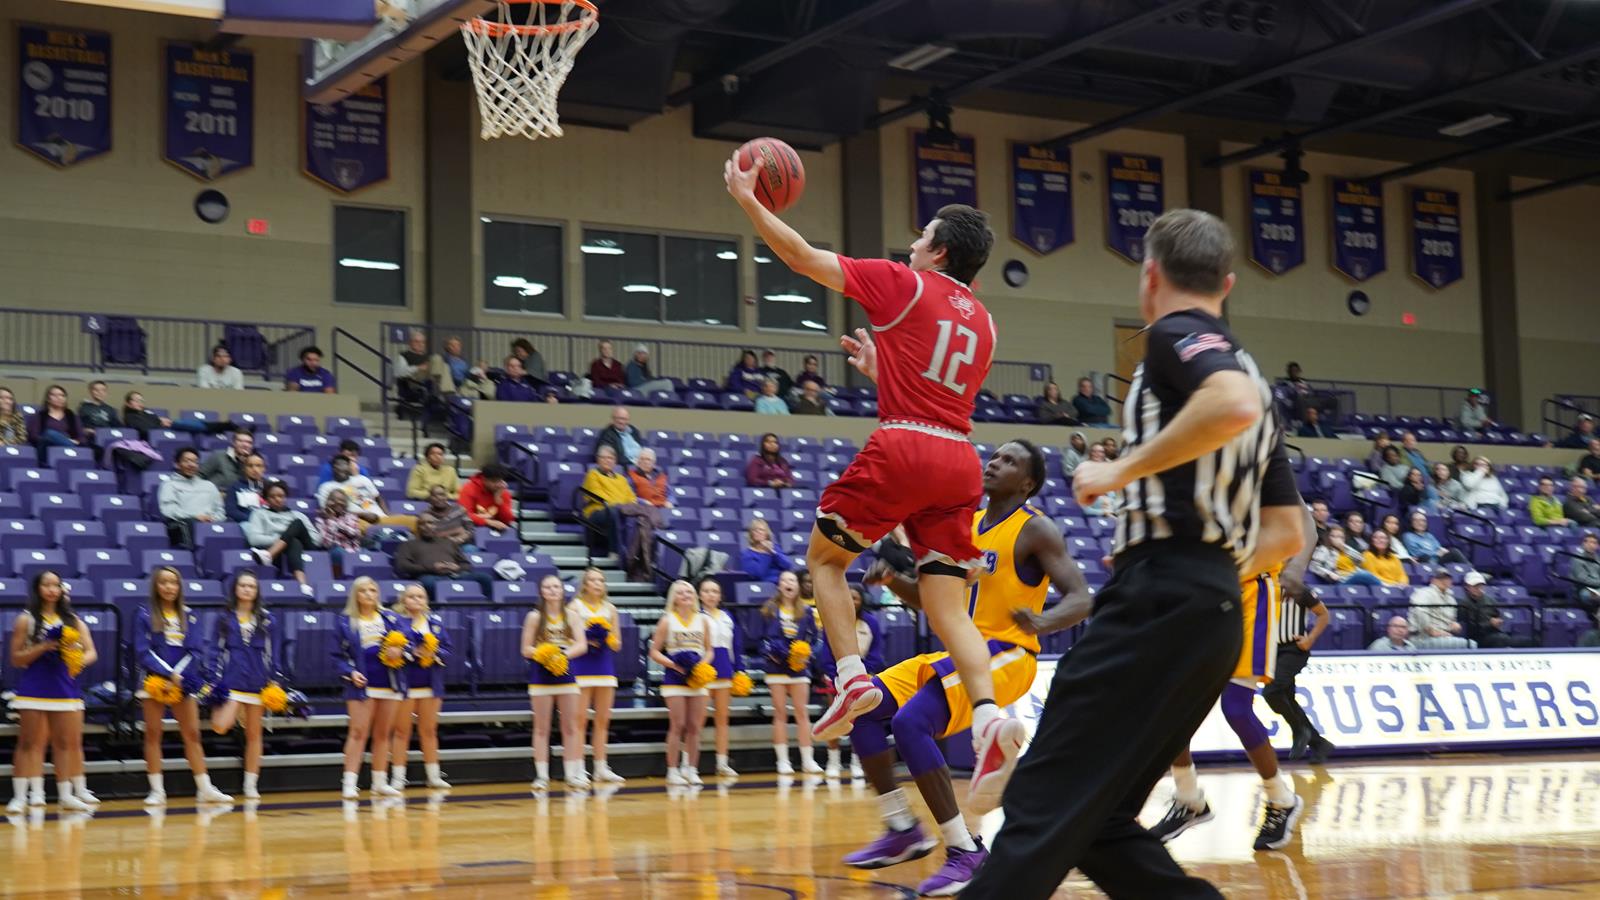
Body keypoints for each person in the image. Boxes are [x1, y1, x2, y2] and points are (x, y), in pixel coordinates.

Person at [960, 209, 1281, 899]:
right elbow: (1287, 532)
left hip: (1162, 595)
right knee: (1098, 816)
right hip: (1214, 605)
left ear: (1150, 275)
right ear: (1227, 282)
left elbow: (1230, 402)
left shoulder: (1175, 335)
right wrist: (1205, 573)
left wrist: (1120, 471)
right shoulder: (1256, 370)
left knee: (1045, 788)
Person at [728, 152, 1017, 795]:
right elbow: (938, 387)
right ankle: (993, 718)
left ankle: (853, 677)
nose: (912, 244)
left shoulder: (904, 281)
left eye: (922, 237)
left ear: (938, 251)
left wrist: (751, 201)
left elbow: (804, 258)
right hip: (958, 457)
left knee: (825, 562)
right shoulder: (986, 323)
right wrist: (880, 372)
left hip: (907, 446)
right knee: (949, 611)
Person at [846, 440, 1093, 893]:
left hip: (1008, 655)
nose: (995, 463)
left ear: (1029, 482)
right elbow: (937, 602)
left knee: (909, 723)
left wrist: (1043, 620)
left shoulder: (1036, 530)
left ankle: (965, 848)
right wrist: (893, 580)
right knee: (862, 705)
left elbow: (1081, 598)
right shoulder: (967, 526)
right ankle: (901, 827)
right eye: (994, 456)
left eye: (1010, 461)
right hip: (959, 652)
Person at [1146, 497, 1321, 851]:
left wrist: (1297, 566)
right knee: (1170, 703)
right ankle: (1189, 797)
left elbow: (1307, 522)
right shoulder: (1194, 459)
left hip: (1253, 590)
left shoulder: (1260, 454)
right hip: (1203, 590)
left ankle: (1281, 799)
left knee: (1237, 708)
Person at [136, 567, 232, 805]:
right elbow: (142, 652)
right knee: (153, 734)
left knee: (192, 734)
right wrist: (168, 674)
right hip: (154, 681)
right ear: (156, 587)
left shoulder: (189, 616)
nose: (169, 587)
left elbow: (195, 651)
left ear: (179, 587)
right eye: (164, 582)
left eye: (173, 583)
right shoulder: (144, 615)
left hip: (183, 682)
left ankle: (205, 787)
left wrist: (178, 675)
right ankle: (157, 790)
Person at [7, 571, 99, 812]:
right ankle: (19, 796)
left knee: (65, 744)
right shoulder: (25, 620)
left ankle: (65, 794)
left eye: (55, 585)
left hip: (64, 688)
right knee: (27, 743)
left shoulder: (73, 621)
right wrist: (44, 646)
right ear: (38, 589)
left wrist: (77, 661)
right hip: (33, 688)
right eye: (46, 585)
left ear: (61, 590)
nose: (51, 589)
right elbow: (16, 659)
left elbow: (91, 652)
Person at [334, 577, 406, 799]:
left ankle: (379, 781)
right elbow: (336, 656)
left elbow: (409, 642)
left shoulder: (391, 618)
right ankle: (349, 782)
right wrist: (349, 672)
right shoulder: (345, 621)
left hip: (389, 682)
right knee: (358, 732)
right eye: (363, 591)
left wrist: (401, 651)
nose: (368, 594)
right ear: (355, 595)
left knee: (383, 733)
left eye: (373, 590)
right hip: (361, 684)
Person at [207, 571, 275, 800]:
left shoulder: (266, 619)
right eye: (243, 585)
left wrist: (275, 679)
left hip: (257, 683)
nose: (247, 589)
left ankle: (251, 784)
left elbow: (272, 652)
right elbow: (215, 649)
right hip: (232, 681)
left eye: (252, 587)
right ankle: (237, 713)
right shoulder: (224, 618)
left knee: (255, 735)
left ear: (257, 592)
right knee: (220, 725)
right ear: (236, 589)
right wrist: (215, 679)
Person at [522, 574, 589, 790]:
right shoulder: (534, 617)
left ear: (562, 591)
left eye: (556, 587)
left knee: (570, 726)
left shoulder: (572, 616)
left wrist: (563, 655)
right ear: (542, 592)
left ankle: (571, 775)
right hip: (541, 675)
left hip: (565, 673)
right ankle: (542, 776)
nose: (552, 590)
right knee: (541, 728)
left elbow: (582, 645)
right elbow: (525, 649)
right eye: (548, 587)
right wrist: (545, 654)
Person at [387, 583, 452, 791]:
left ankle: (433, 776)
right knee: (401, 731)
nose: (417, 600)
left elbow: (448, 650)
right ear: (403, 600)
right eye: (412, 596)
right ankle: (398, 777)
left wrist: (435, 654)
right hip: (405, 685)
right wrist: (410, 651)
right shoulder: (396, 622)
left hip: (431, 685)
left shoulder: (436, 623)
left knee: (429, 730)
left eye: (421, 597)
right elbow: (389, 647)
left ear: (426, 601)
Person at [758, 571, 823, 775]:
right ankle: (783, 761)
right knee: (780, 713)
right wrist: (771, 653)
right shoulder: (769, 609)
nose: (789, 583)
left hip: (798, 666)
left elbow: (816, 640)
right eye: (785, 580)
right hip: (775, 667)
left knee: (801, 712)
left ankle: (807, 760)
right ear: (779, 585)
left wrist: (808, 655)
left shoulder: (806, 611)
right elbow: (760, 640)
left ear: (798, 586)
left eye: (792, 580)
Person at [651, 580, 712, 786]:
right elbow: (654, 651)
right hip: (674, 678)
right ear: (674, 597)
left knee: (695, 727)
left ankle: (691, 769)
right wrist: (674, 665)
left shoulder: (703, 620)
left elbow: (709, 650)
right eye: (681, 592)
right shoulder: (667, 620)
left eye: (689, 591)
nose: (686, 595)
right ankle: (672, 770)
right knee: (678, 725)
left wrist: (700, 666)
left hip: (697, 678)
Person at [815, 585, 881, 779]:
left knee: (858, 722)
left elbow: (877, 653)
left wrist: (862, 672)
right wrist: (836, 674)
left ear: (862, 601)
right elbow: (826, 653)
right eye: (848, 598)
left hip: (863, 678)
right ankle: (833, 762)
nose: (852, 602)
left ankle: (856, 762)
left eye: (855, 598)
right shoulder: (832, 622)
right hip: (835, 677)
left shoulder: (871, 623)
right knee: (834, 720)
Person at [570, 568, 625, 784]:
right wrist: (586, 638)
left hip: (604, 665)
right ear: (584, 584)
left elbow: (618, 643)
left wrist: (606, 638)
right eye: (592, 580)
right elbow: (568, 638)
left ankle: (601, 767)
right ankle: (578, 768)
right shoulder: (574, 606)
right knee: (580, 720)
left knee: (603, 720)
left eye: (601, 580)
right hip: (582, 665)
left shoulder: (610, 609)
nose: (597, 583)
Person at [697, 577, 742, 778]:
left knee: (722, 720)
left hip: (724, 671)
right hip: (702, 673)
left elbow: (736, 647)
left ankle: (722, 763)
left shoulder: (728, 616)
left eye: (714, 591)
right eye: (706, 591)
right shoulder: (695, 616)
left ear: (720, 595)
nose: (710, 595)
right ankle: (688, 764)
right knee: (696, 721)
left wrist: (739, 670)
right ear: (699, 594)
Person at [393, 516, 494, 600]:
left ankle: (487, 609)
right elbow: (403, 566)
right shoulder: (408, 545)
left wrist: (457, 567)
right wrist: (432, 568)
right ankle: (436, 611)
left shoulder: (448, 542)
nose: (427, 526)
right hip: (430, 576)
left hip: (455, 575)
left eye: (430, 523)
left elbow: (466, 565)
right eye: (422, 524)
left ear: (436, 526)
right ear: (418, 527)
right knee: (428, 583)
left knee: (484, 578)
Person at [244, 481, 320, 584]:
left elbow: (316, 539)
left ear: (286, 497)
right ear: (266, 499)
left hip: (306, 546)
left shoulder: (298, 515)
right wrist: (285, 539)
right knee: (293, 541)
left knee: (297, 524)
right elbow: (254, 539)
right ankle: (303, 584)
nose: (277, 499)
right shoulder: (259, 514)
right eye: (272, 496)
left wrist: (285, 537)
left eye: (281, 496)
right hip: (290, 548)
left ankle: (268, 555)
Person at [160, 448, 224, 550]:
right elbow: (169, 511)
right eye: (186, 461)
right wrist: (195, 516)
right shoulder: (169, 485)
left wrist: (213, 519)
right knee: (189, 524)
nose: (191, 465)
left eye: (195, 461)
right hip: (187, 525)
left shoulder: (209, 485)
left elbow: (220, 510)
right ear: (177, 464)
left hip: (210, 523)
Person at [1459, 572, 1530, 648]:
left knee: (1529, 641)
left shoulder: (1490, 600)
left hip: (1495, 634)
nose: (1478, 588)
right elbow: (1470, 629)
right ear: (1468, 587)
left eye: (1480, 585)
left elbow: (1498, 616)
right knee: (1501, 639)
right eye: (1475, 586)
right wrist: (1490, 624)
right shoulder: (1464, 604)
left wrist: (1499, 621)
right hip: (1478, 638)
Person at [316, 456, 390, 527]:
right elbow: (327, 510)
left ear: (349, 467)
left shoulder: (363, 479)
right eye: (337, 465)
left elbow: (378, 498)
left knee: (401, 520)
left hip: (382, 518)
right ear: (333, 468)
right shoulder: (326, 487)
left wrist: (387, 515)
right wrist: (362, 515)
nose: (341, 468)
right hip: (355, 522)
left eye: (344, 464)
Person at [1409, 569, 1474, 649]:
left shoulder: (1451, 599)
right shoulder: (1424, 593)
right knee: (1470, 645)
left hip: (1444, 636)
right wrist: (1432, 631)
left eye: (1447, 578)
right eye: (1441, 578)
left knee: (1470, 643)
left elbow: (1451, 621)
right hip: (1423, 637)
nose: (1445, 581)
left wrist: (1454, 626)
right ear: (1433, 580)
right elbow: (1419, 612)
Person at [316, 490, 367, 577]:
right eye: (334, 500)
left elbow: (353, 533)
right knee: (337, 552)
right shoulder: (320, 520)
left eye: (342, 501)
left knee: (369, 555)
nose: (339, 502)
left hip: (354, 551)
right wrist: (331, 520)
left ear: (346, 504)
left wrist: (335, 524)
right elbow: (327, 544)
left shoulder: (350, 516)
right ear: (328, 502)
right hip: (336, 553)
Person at [1309, 526, 1383, 585]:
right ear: (1328, 537)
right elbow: (1314, 566)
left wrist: (1344, 547)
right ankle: (1383, 587)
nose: (1338, 539)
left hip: (1353, 577)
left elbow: (1360, 560)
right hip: (1340, 581)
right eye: (1334, 536)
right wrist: (1329, 573)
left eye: (1341, 537)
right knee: (1364, 574)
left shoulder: (1345, 549)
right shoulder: (1324, 549)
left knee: (1365, 574)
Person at [27, 384, 81, 458]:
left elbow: (81, 437)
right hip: (46, 449)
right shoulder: (40, 416)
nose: (59, 398)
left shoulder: (71, 416)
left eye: (62, 395)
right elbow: (34, 436)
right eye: (54, 395)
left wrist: (74, 441)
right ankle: (76, 451)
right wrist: (54, 439)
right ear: (48, 398)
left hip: (66, 450)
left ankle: (72, 448)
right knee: (50, 434)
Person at [460, 463, 514, 535]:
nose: (498, 485)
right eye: (494, 481)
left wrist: (498, 500)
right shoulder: (469, 489)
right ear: (484, 480)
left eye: (500, 481)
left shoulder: (502, 492)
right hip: (473, 529)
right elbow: (464, 516)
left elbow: (507, 520)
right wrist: (488, 522)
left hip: (497, 530)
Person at [739, 517, 796, 583]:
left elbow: (787, 565)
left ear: (766, 533)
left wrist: (772, 552)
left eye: (761, 530)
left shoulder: (775, 548)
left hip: (782, 583)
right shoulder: (747, 554)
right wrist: (766, 554)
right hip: (764, 585)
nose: (759, 532)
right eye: (755, 530)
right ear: (751, 534)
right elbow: (757, 575)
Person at [419, 485, 473, 550]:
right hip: (438, 547)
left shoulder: (460, 509)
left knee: (470, 549)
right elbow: (428, 536)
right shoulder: (426, 515)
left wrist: (459, 538)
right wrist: (457, 531)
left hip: (461, 545)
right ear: (430, 498)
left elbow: (470, 530)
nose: (439, 498)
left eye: (442, 495)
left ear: (446, 496)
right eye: (434, 496)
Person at [1401, 510, 1466, 564]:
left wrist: (1443, 550)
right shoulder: (1407, 536)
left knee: (1454, 551)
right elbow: (1416, 553)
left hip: (1438, 560)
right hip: (1425, 561)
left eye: (1423, 521)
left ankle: (1471, 570)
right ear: (1411, 523)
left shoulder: (1429, 535)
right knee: (1425, 557)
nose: (1420, 523)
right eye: (1416, 520)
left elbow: (1438, 548)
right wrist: (1435, 553)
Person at [225, 452, 269, 524]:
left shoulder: (270, 487)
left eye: (258, 466)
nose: (255, 469)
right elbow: (231, 511)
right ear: (244, 468)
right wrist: (253, 520)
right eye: (250, 466)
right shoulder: (235, 487)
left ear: (264, 468)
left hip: (269, 523)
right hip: (248, 523)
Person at [76, 380, 118, 445]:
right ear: (91, 392)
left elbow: (117, 427)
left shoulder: (111, 409)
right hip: (91, 438)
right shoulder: (83, 408)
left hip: (108, 437)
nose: (100, 392)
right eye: (96, 390)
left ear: (106, 392)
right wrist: (86, 430)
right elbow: (78, 426)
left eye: (103, 390)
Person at [1570, 533, 1600, 611]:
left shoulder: (1598, 559)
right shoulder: (1577, 559)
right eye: (1588, 542)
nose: (1591, 545)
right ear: (1584, 544)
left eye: (1594, 543)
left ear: (1597, 546)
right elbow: (1583, 580)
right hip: (1584, 589)